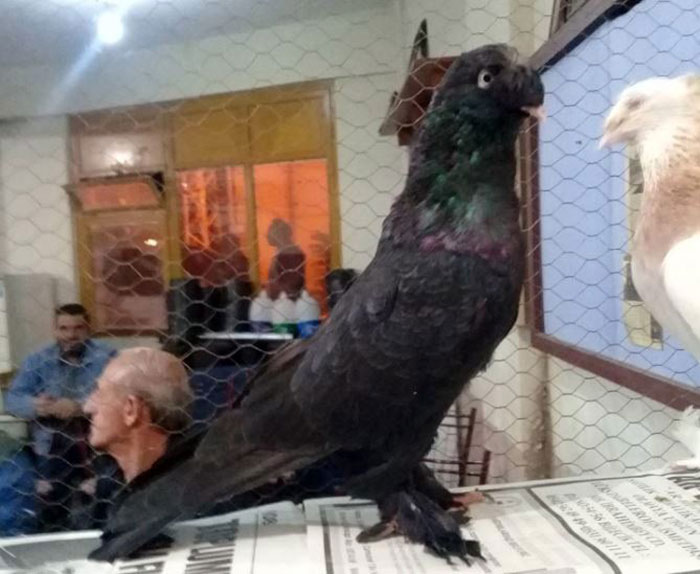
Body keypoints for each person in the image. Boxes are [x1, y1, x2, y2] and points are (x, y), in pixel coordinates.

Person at [5, 304, 116, 531]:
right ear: (54, 330)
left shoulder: (108, 357)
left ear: (89, 328)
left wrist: (80, 406)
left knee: (102, 506)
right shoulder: (37, 360)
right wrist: (37, 406)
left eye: (78, 328)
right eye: (63, 328)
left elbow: (122, 395)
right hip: (50, 446)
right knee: (50, 510)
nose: (70, 335)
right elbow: (12, 400)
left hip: (97, 442)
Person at [266, 218, 306, 301]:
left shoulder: (290, 253)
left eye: (271, 232)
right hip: (281, 300)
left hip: (288, 301)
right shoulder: (283, 251)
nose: (267, 236)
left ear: (281, 234)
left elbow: (292, 283)